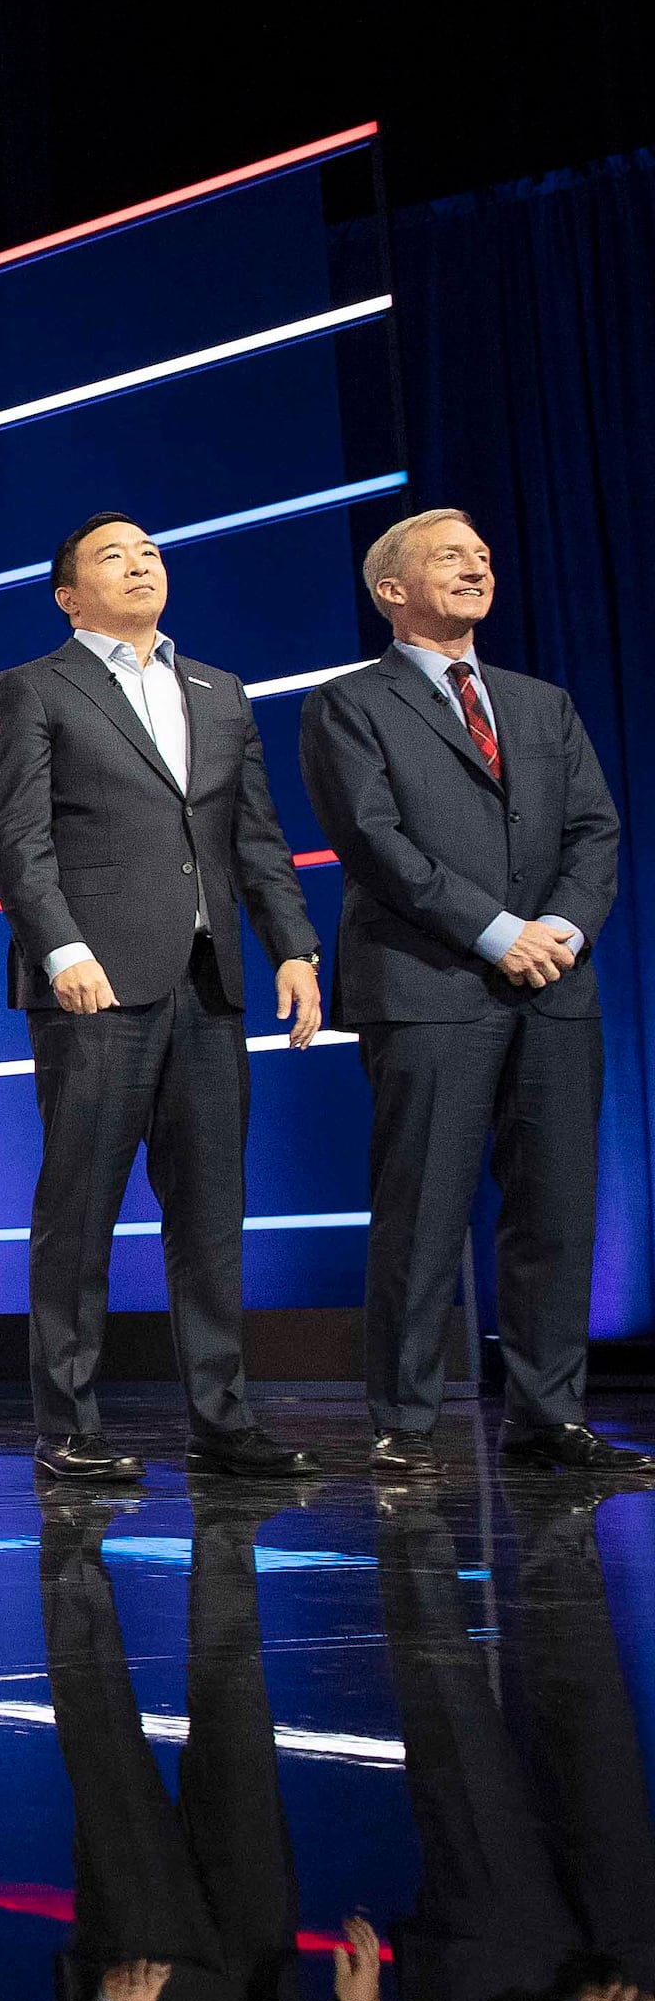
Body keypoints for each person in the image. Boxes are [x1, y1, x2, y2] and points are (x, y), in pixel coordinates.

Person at [0, 513, 325, 1486]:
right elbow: (17, 838)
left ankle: (223, 1418)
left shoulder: (218, 689)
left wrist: (293, 946)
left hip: (211, 985)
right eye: (112, 555)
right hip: (94, 986)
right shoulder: (33, 689)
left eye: (152, 551)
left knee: (213, 1213)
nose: (140, 563)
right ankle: (69, 1423)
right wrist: (62, 950)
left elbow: (256, 837)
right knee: (80, 1209)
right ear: (68, 593)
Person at [297, 508, 637, 1478]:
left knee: (559, 1209)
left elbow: (594, 833)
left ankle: (549, 1418)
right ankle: (404, 1424)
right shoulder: (347, 702)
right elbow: (375, 841)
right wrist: (498, 933)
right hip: (431, 984)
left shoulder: (543, 703)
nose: (476, 567)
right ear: (391, 589)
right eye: (450, 556)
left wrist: (559, 933)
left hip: (555, 987)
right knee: (423, 1209)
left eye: (484, 555)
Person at [37, 1487, 383, 2001]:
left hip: (152, 1994)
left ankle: (71, 1538)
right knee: (238, 1729)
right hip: (262, 1975)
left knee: (107, 1751)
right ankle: (225, 1527)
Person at [375, 1483, 655, 2001]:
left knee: (451, 1708)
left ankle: (408, 1504)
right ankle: (556, 1508)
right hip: (629, 1960)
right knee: (590, 1712)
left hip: (496, 1968)